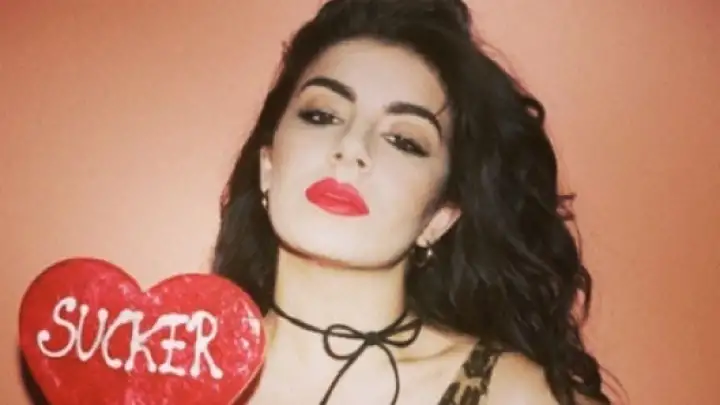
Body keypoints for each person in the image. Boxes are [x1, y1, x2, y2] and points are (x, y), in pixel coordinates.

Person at [213, 0, 614, 404]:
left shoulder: (518, 396)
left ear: (441, 216)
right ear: (268, 165)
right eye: (322, 115)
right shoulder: (184, 374)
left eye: (404, 141)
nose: (351, 147)